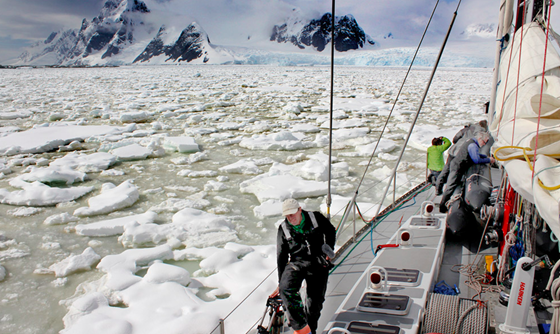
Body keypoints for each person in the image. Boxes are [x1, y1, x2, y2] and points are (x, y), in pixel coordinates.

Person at [271, 198, 336, 334]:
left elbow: (330, 230)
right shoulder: (283, 229)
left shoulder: (315, 217)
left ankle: (310, 330)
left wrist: (329, 248)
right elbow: (281, 256)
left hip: (318, 261)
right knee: (286, 289)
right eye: (287, 215)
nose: (290, 218)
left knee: (315, 303)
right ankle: (301, 327)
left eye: (293, 214)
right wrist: (280, 281)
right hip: (297, 263)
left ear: (300, 210)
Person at [439, 131, 495, 213]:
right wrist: (488, 160)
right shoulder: (473, 146)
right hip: (457, 167)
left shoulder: (471, 142)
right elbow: (476, 159)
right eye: (484, 142)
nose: (484, 144)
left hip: (459, 166)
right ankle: (442, 207)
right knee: (450, 187)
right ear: (479, 138)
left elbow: (477, 155)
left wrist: (485, 156)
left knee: (455, 184)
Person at [436, 119, 489, 195]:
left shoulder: (467, 129)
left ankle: (438, 188)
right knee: (456, 173)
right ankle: (455, 191)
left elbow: (455, 139)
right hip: (462, 153)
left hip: (453, 151)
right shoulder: (481, 133)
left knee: (446, 170)